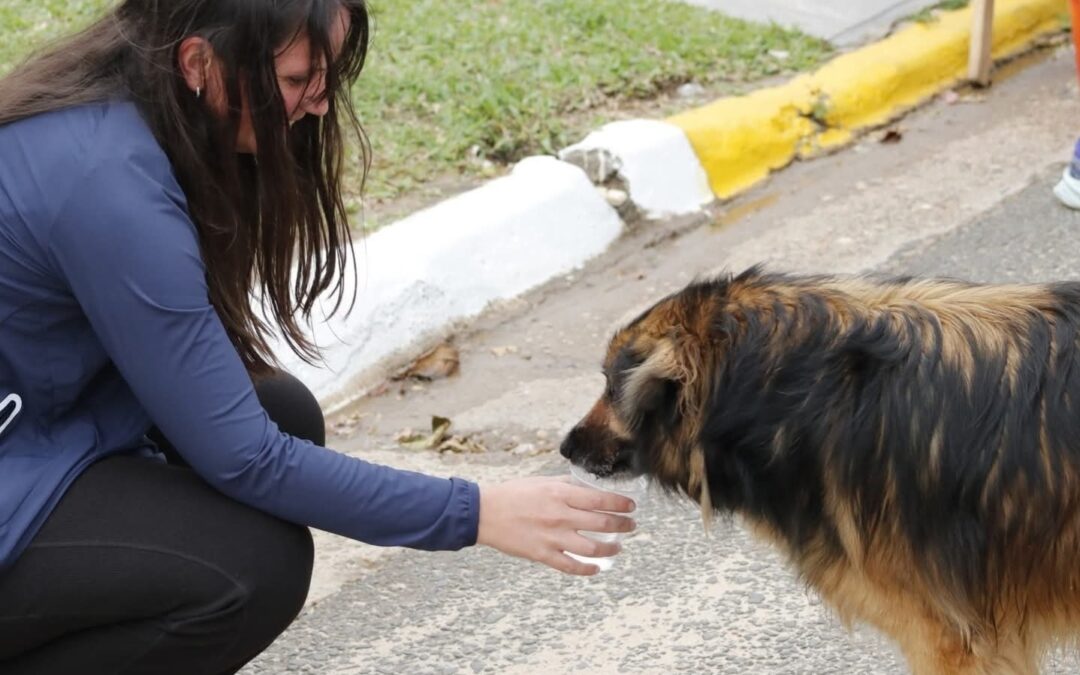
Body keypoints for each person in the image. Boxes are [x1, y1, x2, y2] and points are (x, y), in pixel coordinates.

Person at [0, 1, 636, 672]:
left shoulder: (141, 113)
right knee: (252, 568)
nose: (322, 105)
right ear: (198, 63)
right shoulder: (107, 185)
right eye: (300, 79)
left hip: (38, 431)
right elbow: (247, 459)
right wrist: (477, 512)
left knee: (286, 412)